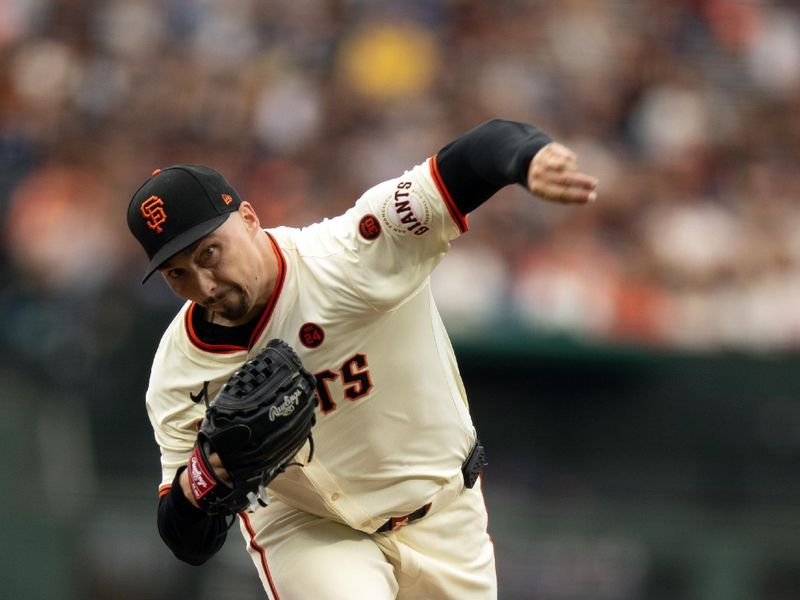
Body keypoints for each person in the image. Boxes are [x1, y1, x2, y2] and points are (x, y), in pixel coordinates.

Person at [127, 118, 598, 599]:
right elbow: (186, 538)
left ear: (249, 218)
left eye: (210, 253)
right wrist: (204, 480)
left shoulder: (353, 253)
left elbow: (476, 154)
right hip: (308, 529)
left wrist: (528, 158)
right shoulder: (179, 371)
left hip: (444, 511)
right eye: (177, 273)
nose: (203, 285)